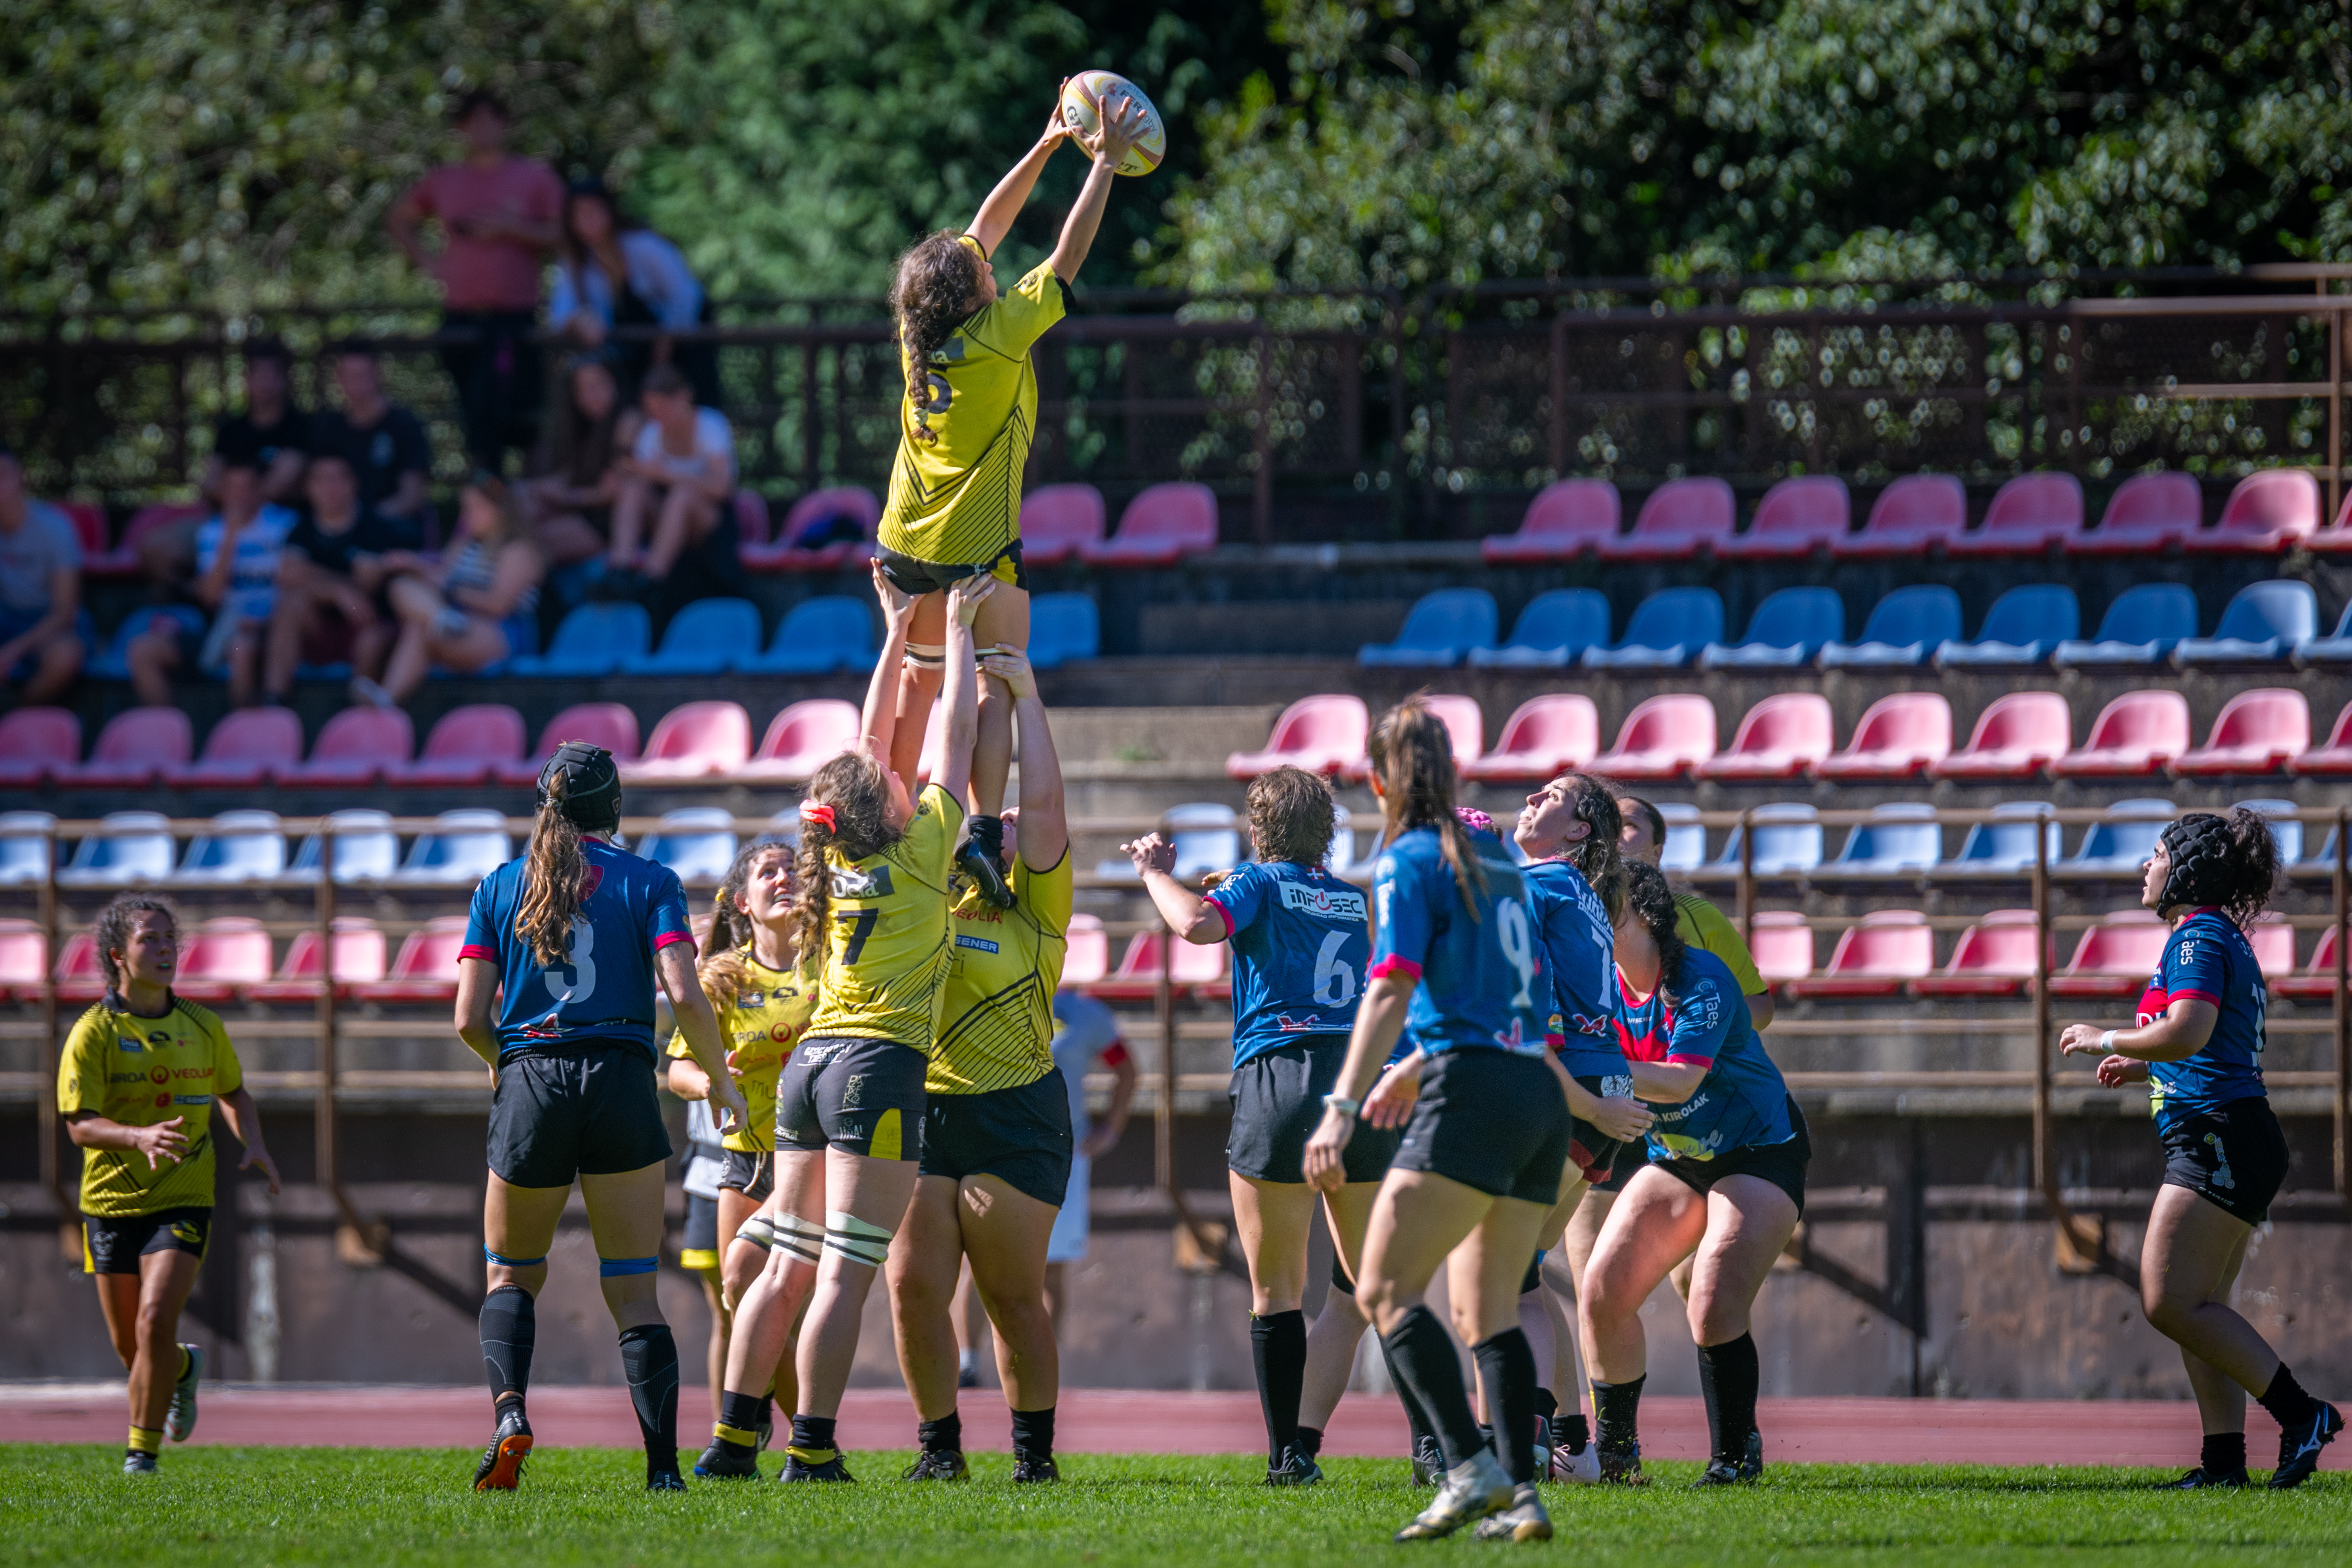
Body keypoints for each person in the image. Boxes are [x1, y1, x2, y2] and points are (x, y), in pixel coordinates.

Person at [1302, 699, 1646, 1543]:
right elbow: (1514, 1004)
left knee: (1381, 1287)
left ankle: (1468, 1469)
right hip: (1538, 1093)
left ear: (1380, 782)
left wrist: (1343, 1105)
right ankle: (1522, 1494)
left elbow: (1388, 985)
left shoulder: (1411, 859)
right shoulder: (1496, 865)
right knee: (1493, 1304)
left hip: (1479, 1092)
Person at [703, 565, 985, 1483]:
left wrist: (898, 627)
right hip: (875, 1069)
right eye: (896, 785)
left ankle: (730, 1441)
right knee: (841, 1276)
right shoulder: (923, 853)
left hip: (806, 1069)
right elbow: (954, 736)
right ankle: (813, 1450)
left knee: (785, 1265)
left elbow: (871, 743)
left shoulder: (825, 853)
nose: (905, 782)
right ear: (893, 808)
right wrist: (966, 632)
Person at [877, 84, 1149, 908]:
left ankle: (890, 826)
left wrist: (1044, 144)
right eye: (984, 268)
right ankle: (981, 835)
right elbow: (1066, 254)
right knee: (996, 682)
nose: (990, 258)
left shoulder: (917, 331)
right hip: (974, 550)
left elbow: (981, 229)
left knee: (919, 688)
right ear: (975, 293)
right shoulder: (1000, 337)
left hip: (900, 546)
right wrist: (1098, 166)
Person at [454, 741, 749, 1493]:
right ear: (614, 806)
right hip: (620, 1076)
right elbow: (684, 991)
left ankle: (511, 1415)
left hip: (531, 1081)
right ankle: (662, 1469)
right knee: (633, 1285)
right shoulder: (652, 879)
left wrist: (503, 1063)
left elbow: (466, 1016)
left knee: (510, 1274)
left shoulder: (499, 884)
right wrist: (720, 1079)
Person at [2058, 810, 2342, 1489]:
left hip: (2219, 1133)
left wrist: (2109, 1039)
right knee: (2200, 1307)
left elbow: (2188, 1028)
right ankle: (2223, 1464)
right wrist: (2146, 1066)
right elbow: (2201, 1046)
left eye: (2155, 854)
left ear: (2185, 868)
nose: (2145, 867)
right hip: (2229, 1129)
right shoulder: (2213, 935)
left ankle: (2303, 1414)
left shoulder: (2197, 936)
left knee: (2166, 1299)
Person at [1125, 765, 1389, 1486]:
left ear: (1256, 828)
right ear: (1327, 832)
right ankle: (1434, 1447)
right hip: (1356, 1083)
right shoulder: (1350, 896)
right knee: (1379, 1284)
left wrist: (1155, 872)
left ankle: (1289, 1456)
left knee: (1276, 1290)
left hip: (1279, 1081)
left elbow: (1196, 925)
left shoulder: (1258, 880)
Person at [882, 642, 1079, 1483]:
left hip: (1015, 1111)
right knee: (911, 1288)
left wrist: (1023, 694)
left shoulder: (1036, 909)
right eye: (976, 835)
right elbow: (932, 781)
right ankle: (940, 1450)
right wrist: (943, 665)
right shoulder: (928, 896)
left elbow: (1041, 808)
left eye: (997, 838)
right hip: (925, 1108)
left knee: (1010, 1300)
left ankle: (1033, 1458)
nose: (991, 842)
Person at [1580, 860, 1810, 1488]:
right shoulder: (1596, 982)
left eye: (1609, 909)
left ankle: (1733, 1457)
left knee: (1711, 1300)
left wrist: (1582, 1068)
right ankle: (1618, 1455)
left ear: (1644, 917)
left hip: (1759, 1148)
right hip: (1679, 1155)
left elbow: (1681, 1079)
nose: (1591, 921)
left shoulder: (1698, 978)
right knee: (1602, 1292)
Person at [57, 894, 279, 1474]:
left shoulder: (202, 1025)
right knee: (133, 1347)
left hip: (184, 1196)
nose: (163, 951)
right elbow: (79, 1126)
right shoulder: (92, 1032)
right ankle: (182, 1369)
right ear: (117, 957)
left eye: (168, 941)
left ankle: (141, 1456)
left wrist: (252, 1140)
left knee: (155, 1320)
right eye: (147, 941)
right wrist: (137, 1138)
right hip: (108, 1203)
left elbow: (233, 1093)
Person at [1500, 773, 1640, 1483]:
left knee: (1504, 1273)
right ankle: (1574, 1444)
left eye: (1550, 795)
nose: (1530, 796)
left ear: (1579, 829)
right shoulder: (1577, 891)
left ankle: (1522, 1446)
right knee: (1525, 1271)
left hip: (1572, 1087)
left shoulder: (1539, 884)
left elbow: (1527, 997)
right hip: (1603, 1079)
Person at [665, 841, 815, 1452]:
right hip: (746, 1158)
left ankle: (804, 1434)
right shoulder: (723, 980)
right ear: (742, 904)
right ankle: (766, 1428)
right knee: (737, 1293)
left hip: (813, 1159)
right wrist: (709, 1083)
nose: (783, 879)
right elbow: (675, 1070)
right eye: (767, 872)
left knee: (791, 1309)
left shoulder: (832, 968)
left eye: (792, 869)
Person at [385, 89, 563, 472]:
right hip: (463, 319)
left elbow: (565, 235)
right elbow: (399, 219)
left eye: (490, 118)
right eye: (473, 120)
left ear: (505, 124)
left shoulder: (534, 178)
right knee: (476, 423)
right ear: (462, 129)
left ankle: (534, 510)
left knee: (526, 422)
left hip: (517, 320)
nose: (482, 128)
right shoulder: (444, 180)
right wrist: (429, 261)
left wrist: (512, 228)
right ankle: (486, 512)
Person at [358, 475, 543, 708]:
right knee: (402, 586)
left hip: (502, 632)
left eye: (476, 507)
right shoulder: (465, 544)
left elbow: (498, 604)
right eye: (465, 507)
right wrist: (410, 564)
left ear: (500, 509)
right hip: (459, 619)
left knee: (421, 627)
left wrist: (453, 592)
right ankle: (386, 698)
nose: (468, 515)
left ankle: (387, 698)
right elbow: (443, 577)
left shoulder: (519, 550)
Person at [128, 461, 295, 708]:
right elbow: (211, 596)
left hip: (270, 629)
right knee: (142, 650)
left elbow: (294, 585)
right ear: (221, 493)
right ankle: (173, 737)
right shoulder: (211, 532)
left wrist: (261, 621)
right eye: (232, 489)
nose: (239, 496)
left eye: (246, 488)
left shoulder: (286, 525)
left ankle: (242, 737)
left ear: (261, 490)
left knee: (242, 648)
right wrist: (231, 538)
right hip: (220, 626)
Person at [260, 452, 419, 705]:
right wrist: (337, 590)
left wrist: (316, 578)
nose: (330, 488)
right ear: (308, 488)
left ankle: (360, 720)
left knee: (371, 640)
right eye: (321, 480)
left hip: (370, 627)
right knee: (290, 604)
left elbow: (367, 587)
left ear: (353, 484)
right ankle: (274, 702)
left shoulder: (377, 527)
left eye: (338, 479)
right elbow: (289, 574)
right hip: (318, 629)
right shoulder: (301, 529)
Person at [551, 179, 718, 407]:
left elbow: (686, 294)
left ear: (609, 210)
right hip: (632, 353)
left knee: (695, 400)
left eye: (593, 211)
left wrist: (667, 341)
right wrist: (580, 321)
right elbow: (562, 310)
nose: (587, 220)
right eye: (579, 214)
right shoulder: (577, 263)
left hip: (684, 343)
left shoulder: (644, 245)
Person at [1042, 987, 1136, 1330]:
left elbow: (1126, 1068)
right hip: (996, 1150)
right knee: (983, 1266)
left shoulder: (1083, 1012)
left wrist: (1109, 1130)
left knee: (1051, 1269)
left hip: (1065, 1155)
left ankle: (1043, 1375)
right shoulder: (990, 992)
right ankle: (970, 1365)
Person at [602, 366, 734, 594]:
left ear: (683, 398)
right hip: (664, 519)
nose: (659, 418)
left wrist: (665, 475)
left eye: (663, 409)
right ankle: (619, 570)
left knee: (681, 496)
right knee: (633, 491)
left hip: (709, 523)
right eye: (652, 412)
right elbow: (639, 482)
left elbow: (721, 488)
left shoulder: (711, 425)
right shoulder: (652, 434)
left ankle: (653, 579)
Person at [525, 355, 640, 566]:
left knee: (530, 542)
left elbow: (616, 491)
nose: (590, 395)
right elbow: (573, 475)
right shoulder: (583, 425)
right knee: (521, 503)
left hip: (605, 522)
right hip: (581, 510)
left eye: (597, 385)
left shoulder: (628, 422)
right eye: (582, 389)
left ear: (614, 383)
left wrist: (565, 496)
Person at [0, 445, 89, 705]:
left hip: (52, 623)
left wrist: (12, 652)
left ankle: (15, 719)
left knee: (65, 657)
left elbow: (65, 612)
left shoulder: (56, 528)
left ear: (21, 477)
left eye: (4, 475)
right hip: (7, 619)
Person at [309, 346, 434, 526]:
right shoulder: (328, 427)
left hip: (390, 526)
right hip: (337, 527)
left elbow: (411, 497)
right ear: (339, 378)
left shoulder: (405, 424)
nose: (357, 383)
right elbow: (318, 486)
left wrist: (364, 521)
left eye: (363, 375)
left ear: (378, 375)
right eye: (350, 376)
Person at [204, 340, 312, 506]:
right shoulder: (231, 429)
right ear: (247, 379)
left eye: (272, 374)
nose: (265, 382)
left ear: (284, 379)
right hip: (228, 520)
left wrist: (239, 497)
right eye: (259, 374)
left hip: (283, 520)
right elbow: (210, 482)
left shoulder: (301, 427)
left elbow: (279, 486)